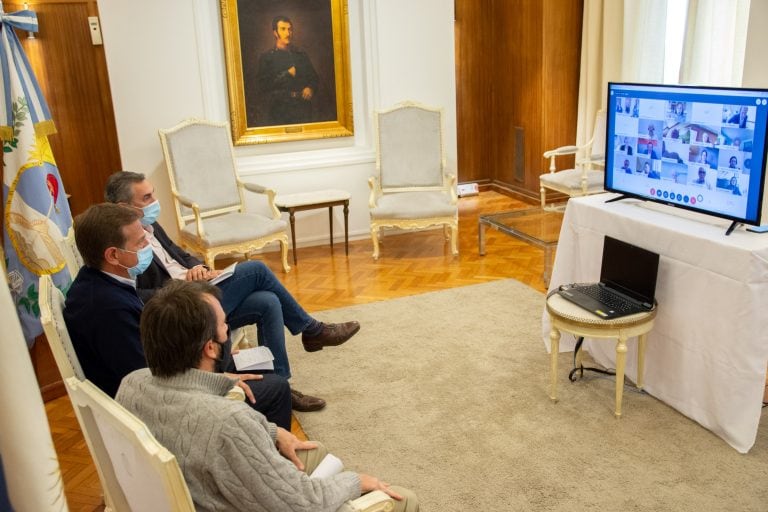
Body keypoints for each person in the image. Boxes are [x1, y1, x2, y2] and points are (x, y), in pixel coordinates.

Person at [116, 280, 419, 512]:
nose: (227, 329)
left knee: (311, 450)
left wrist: (270, 432)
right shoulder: (228, 422)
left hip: (196, 492)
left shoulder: (132, 382)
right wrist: (357, 482)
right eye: (224, 325)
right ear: (210, 347)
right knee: (404, 499)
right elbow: (302, 505)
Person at [104, 171, 360, 412]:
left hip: (197, 288)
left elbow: (180, 255)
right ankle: (313, 330)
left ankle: (280, 385)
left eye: (153, 194)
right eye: (147, 198)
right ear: (122, 207)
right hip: (183, 309)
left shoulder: (150, 226)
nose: (154, 202)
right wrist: (181, 286)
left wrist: (200, 268)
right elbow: (139, 297)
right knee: (257, 270)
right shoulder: (122, 246)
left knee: (268, 302)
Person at [63, 204, 293, 429]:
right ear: (113, 255)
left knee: (261, 362)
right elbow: (147, 380)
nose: (148, 247)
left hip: (169, 373)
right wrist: (217, 377)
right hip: (162, 409)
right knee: (276, 388)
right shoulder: (108, 308)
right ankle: (266, 454)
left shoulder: (99, 282)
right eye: (141, 242)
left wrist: (200, 352)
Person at [255, 15, 319, 125]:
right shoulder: (267, 57)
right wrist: (287, 74)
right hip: (279, 110)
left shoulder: (301, 55)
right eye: (283, 29)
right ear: (275, 32)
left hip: (302, 108)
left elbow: (314, 78)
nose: (288, 33)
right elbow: (263, 86)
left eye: (290, 29)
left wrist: (310, 88)